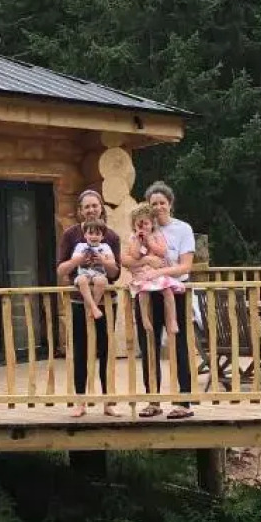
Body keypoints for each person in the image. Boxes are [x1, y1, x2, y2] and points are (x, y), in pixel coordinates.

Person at [122, 180, 196, 419]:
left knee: (180, 345)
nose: (158, 207)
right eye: (154, 203)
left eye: (162, 202)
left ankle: (183, 402)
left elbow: (185, 265)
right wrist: (145, 263)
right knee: (148, 345)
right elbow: (126, 259)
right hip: (147, 292)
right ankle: (153, 400)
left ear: (170, 204)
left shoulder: (182, 229)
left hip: (174, 291)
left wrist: (159, 272)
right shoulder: (142, 227)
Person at [56, 190, 122, 417]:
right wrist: (78, 260)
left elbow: (116, 273)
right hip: (78, 301)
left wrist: (104, 261)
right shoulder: (70, 235)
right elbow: (61, 270)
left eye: (95, 205)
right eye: (87, 207)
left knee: (105, 350)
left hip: (106, 303)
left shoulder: (111, 237)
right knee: (81, 351)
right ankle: (80, 401)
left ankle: (108, 402)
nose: (91, 210)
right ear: (80, 211)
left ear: (101, 207)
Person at [127, 201, 183, 339]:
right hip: (144, 273)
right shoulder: (133, 238)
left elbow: (163, 251)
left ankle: (172, 320)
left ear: (152, 224)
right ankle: (145, 319)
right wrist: (139, 241)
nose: (143, 227)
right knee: (143, 292)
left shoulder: (157, 235)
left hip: (158, 273)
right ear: (134, 225)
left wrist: (150, 242)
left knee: (168, 291)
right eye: (139, 224)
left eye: (146, 224)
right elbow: (134, 255)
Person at [71, 219, 116, 316]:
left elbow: (112, 262)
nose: (94, 236)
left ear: (102, 236)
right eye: (91, 233)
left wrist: (102, 260)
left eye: (97, 234)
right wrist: (83, 258)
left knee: (101, 281)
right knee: (82, 280)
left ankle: (93, 307)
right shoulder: (80, 246)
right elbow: (74, 259)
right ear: (85, 235)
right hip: (84, 274)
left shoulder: (105, 247)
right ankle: (94, 307)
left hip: (99, 274)